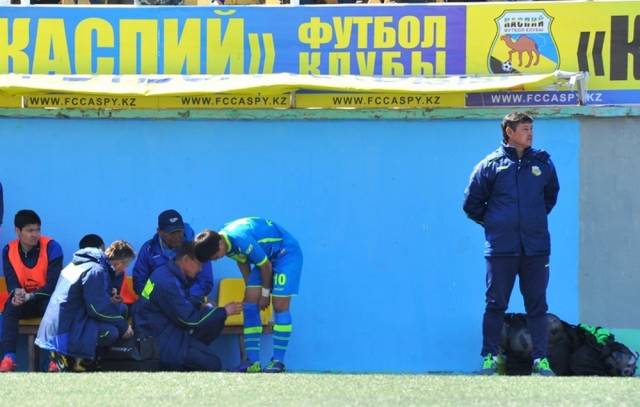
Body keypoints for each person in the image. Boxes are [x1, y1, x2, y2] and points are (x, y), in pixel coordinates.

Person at [463, 112, 560, 376]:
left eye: (532, 129)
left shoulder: (543, 163)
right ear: (509, 131)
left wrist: (530, 221)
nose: (530, 134)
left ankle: (541, 360)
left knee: (537, 306)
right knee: (496, 304)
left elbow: (550, 197)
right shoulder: (490, 165)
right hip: (501, 249)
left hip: (536, 249)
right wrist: (497, 224)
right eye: (525, 129)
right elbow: (471, 205)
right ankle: (490, 358)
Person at [195, 217, 303, 373]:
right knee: (249, 304)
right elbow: (242, 260)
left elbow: (266, 266)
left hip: (286, 254)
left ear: (220, 244)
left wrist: (264, 294)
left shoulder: (240, 239)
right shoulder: (223, 241)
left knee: (279, 305)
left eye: (215, 256)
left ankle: (278, 362)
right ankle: (253, 363)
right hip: (266, 258)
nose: (216, 259)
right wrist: (250, 288)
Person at [134, 241, 241, 371]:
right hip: (159, 342)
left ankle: (187, 361)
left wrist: (200, 305)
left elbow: (179, 301)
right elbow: (189, 320)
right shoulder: (167, 282)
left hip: (166, 332)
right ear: (185, 260)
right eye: (199, 264)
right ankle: (176, 368)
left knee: (214, 321)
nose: (201, 269)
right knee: (213, 363)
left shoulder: (166, 273)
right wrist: (224, 311)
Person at [35, 241, 135, 372]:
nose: (124, 269)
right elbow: (96, 310)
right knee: (111, 332)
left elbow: (80, 297)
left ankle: (71, 359)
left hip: (53, 325)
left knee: (120, 309)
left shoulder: (78, 263)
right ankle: (75, 360)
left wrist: (107, 298)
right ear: (119, 264)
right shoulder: (96, 270)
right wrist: (123, 326)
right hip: (65, 329)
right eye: (126, 266)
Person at [0, 209, 63, 372]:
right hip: (25, 301)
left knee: (54, 308)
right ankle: (9, 358)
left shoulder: (52, 247)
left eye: (37, 230)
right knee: (10, 306)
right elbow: (11, 281)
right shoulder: (8, 250)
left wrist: (30, 296)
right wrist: (16, 293)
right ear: (18, 231)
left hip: (45, 299)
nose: (35, 234)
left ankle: (54, 360)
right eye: (30, 230)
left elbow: (52, 285)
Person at [133, 209, 213, 307]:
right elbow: (140, 281)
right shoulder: (148, 249)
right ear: (159, 232)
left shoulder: (197, 248)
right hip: (157, 304)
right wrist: (153, 298)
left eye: (179, 231)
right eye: (171, 233)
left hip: (189, 301)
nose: (177, 236)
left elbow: (205, 282)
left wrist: (183, 296)